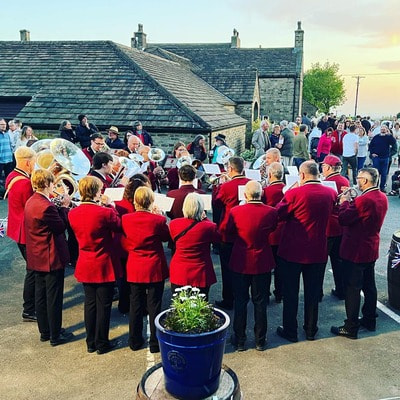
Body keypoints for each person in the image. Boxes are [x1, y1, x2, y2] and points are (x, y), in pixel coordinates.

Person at [275, 161, 336, 342]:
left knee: (291, 292)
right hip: (317, 249)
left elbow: (279, 213)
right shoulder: (330, 193)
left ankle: (290, 330)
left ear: (301, 175)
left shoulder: (294, 193)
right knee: (312, 292)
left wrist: (286, 193)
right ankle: (311, 329)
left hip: (293, 250)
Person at [331, 168, 388, 339]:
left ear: (364, 181)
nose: (357, 181)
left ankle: (351, 326)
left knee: (352, 288)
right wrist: (353, 200)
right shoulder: (382, 197)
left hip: (355, 249)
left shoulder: (363, 201)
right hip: (371, 247)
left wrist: (344, 202)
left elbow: (344, 219)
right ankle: (370, 319)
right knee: (369, 286)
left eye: (358, 179)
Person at [68, 176, 121, 354]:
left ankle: (90, 342)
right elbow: (118, 225)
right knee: (104, 305)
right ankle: (102, 342)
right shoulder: (105, 213)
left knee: (89, 303)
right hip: (103, 261)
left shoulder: (73, 213)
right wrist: (111, 205)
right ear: (95, 192)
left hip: (86, 260)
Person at [227, 181, 277, 351]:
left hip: (241, 260)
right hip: (262, 259)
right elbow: (273, 228)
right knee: (260, 301)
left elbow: (228, 232)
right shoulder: (271, 212)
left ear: (245, 195)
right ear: (261, 194)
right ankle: (260, 340)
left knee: (240, 301)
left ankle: (240, 339)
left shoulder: (235, 211)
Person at [24, 169, 73, 346]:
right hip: (51, 257)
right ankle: (55, 335)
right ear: (47, 184)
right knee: (53, 298)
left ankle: (45, 332)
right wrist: (65, 208)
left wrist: (57, 207)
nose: (54, 186)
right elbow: (60, 228)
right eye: (53, 183)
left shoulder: (32, 201)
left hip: (37, 257)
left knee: (41, 296)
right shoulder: (46, 207)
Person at [122, 186, 170, 353]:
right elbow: (166, 237)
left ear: (135, 201)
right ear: (151, 201)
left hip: (135, 265)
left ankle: (134, 340)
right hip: (154, 265)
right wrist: (160, 216)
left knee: (135, 304)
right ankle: (155, 343)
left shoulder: (126, 219)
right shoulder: (158, 221)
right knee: (155, 305)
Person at [213, 156, 250, 310]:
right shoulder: (251, 183)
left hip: (228, 231)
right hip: (246, 230)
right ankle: (243, 295)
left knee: (227, 268)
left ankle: (228, 299)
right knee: (244, 266)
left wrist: (218, 186)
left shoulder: (227, 186)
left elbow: (216, 203)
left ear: (230, 169)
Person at [5, 146, 37, 321]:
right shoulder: (25, 183)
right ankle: (29, 309)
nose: (36, 164)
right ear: (27, 162)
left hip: (18, 230)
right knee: (33, 271)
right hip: (26, 232)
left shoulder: (13, 175)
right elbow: (33, 208)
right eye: (34, 161)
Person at [169, 193, 221, 299]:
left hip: (180, 270)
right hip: (201, 271)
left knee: (180, 306)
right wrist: (205, 218)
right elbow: (218, 239)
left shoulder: (174, 224)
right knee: (200, 307)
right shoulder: (209, 226)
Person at [321, 155, 350, 300]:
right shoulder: (344, 180)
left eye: (323, 166)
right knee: (338, 261)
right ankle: (341, 289)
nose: (322, 169)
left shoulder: (326, 182)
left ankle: (317, 292)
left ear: (329, 167)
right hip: (340, 226)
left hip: (328, 226)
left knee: (320, 262)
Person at [262, 161, 285, 303]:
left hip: (270, 232)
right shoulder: (287, 189)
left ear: (270, 175)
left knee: (267, 265)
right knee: (281, 267)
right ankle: (279, 293)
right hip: (283, 231)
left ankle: (265, 292)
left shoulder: (267, 191)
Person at [369, 124, 396, 192]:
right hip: (376, 158)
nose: (383, 130)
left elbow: (394, 142)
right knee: (376, 173)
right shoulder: (376, 137)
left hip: (385, 158)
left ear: (386, 130)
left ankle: (382, 187)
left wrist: (389, 134)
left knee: (384, 174)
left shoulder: (388, 137)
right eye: (382, 129)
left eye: (384, 129)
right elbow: (371, 146)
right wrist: (372, 153)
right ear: (380, 129)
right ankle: (375, 187)